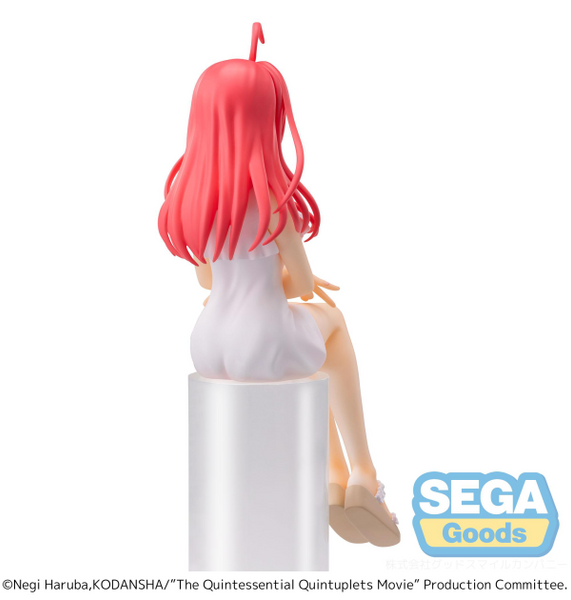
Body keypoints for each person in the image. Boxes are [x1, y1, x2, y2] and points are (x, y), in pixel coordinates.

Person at [158, 23, 399, 547]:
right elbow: (304, 284)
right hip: (263, 342)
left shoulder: (190, 196)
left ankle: (333, 478)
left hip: (208, 343)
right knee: (334, 326)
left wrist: (236, 289)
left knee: (312, 357)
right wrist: (283, 282)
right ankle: (362, 473)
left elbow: (206, 276)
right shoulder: (269, 200)